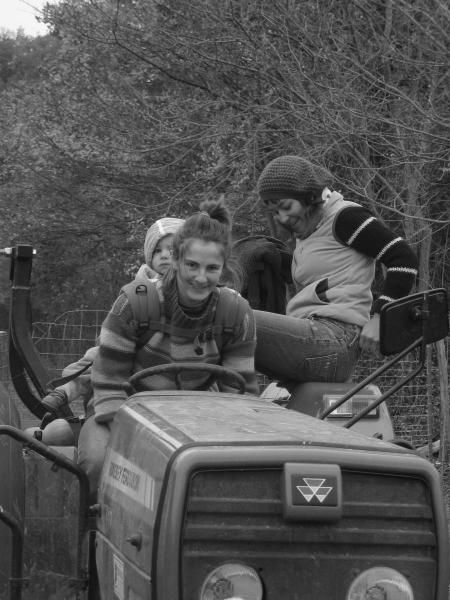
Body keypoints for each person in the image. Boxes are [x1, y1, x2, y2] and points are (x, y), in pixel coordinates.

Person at [79, 198, 259, 498]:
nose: (201, 278)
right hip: (122, 413)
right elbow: (108, 384)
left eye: (211, 268)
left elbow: (240, 393)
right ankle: (91, 535)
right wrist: (146, 442)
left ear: (223, 268)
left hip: (199, 417)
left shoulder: (236, 313)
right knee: (98, 461)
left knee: (238, 471)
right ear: (175, 260)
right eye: (192, 265)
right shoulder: (135, 303)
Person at [254, 154, 418, 385]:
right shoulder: (309, 234)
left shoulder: (345, 218)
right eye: (274, 212)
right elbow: (324, 279)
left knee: (228, 314)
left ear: (309, 196)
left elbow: (403, 257)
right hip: (309, 330)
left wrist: (381, 317)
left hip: (334, 337)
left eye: (285, 206)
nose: (282, 218)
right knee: (223, 322)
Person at [40, 216, 185, 420]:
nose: (164, 256)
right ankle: (68, 388)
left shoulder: (201, 294)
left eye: (171, 250)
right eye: (157, 251)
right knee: (101, 356)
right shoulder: (138, 292)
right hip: (135, 354)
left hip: (172, 360)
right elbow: (115, 332)